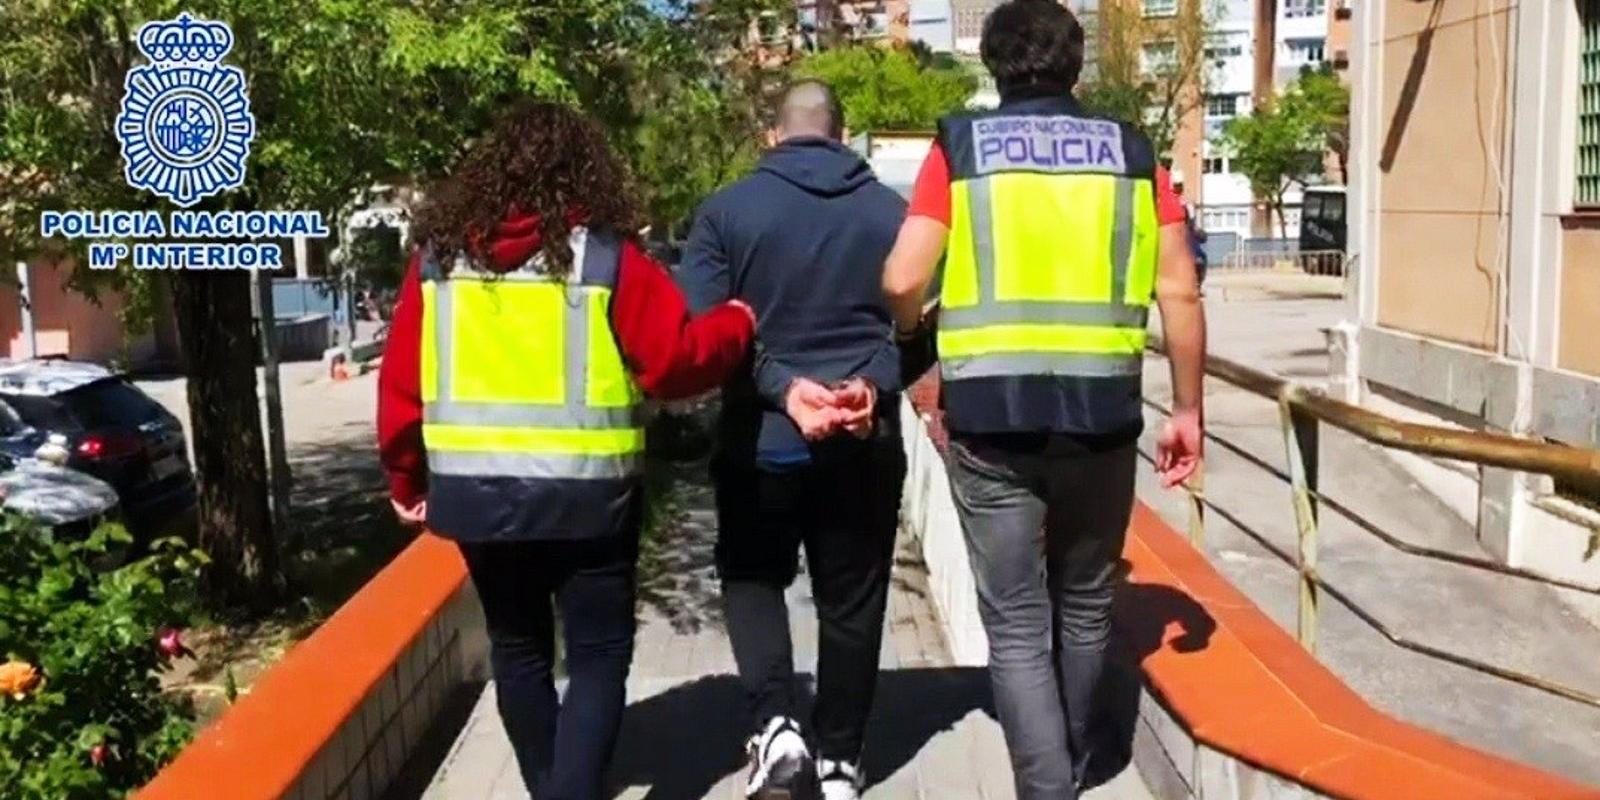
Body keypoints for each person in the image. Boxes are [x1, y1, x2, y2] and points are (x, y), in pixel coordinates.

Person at [376, 102, 755, 800]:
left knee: (518, 649)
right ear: (586, 171)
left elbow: (401, 385)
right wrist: (736, 323)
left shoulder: (437, 264)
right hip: (590, 500)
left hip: (478, 500)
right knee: (598, 653)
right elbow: (674, 364)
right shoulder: (606, 259)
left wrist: (405, 478)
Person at [879, 2, 1207, 798]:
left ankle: (1047, 784)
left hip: (991, 420)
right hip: (1102, 417)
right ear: (1075, 63)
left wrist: (912, 327)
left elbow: (901, 277)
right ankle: (1075, 762)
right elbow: (1179, 290)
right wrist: (1188, 411)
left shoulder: (960, 147)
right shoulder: (1133, 152)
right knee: (1087, 603)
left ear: (993, 64)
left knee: (1018, 622)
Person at [677, 79, 912, 800]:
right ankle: (839, 759)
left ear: (772, 135)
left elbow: (703, 337)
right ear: (842, 135)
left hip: (760, 444)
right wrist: (868, 382)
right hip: (864, 441)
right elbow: (927, 325)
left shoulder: (724, 212)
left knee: (753, 579)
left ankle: (777, 725)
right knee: (853, 599)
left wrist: (782, 388)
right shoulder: (896, 214)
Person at [1171, 170, 1209, 286]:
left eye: (1179, 185)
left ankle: (1197, 284)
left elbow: (1192, 224)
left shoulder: (1186, 204)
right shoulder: (1170, 202)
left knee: (1200, 258)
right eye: (1176, 185)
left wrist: (1198, 233)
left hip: (1185, 237)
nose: (1178, 188)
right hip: (1174, 237)